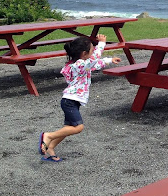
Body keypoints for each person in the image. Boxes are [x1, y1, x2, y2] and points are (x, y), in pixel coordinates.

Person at [39, 34, 121, 162]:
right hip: (70, 101)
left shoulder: (81, 65)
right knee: (78, 127)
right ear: (84, 54)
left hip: (72, 101)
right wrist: (102, 44)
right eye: (92, 50)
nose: (94, 52)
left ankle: (50, 148)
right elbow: (94, 59)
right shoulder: (79, 65)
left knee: (68, 128)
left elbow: (95, 64)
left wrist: (110, 60)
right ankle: (48, 136)